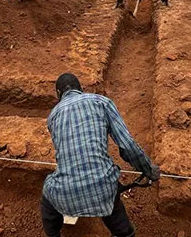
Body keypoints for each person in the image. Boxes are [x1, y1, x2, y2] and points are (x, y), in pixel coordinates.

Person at [41, 73, 160, 237]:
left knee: (48, 197)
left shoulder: (53, 116)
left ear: (58, 94)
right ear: (81, 89)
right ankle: (124, 233)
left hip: (65, 191)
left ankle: (53, 234)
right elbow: (128, 145)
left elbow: (63, 152)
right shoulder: (101, 102)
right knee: (109, 194)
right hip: (103, 184)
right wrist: (147, 169)